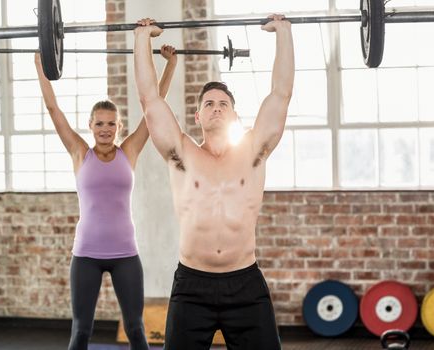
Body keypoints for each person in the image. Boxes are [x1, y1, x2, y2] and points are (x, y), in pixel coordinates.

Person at [134, 14, 294, 350]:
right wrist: (141, 38)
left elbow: (280, 95)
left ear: (235, 115)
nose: (216, 108)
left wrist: (283, 32)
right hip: (192, 286)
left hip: (245, 284)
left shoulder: (254, 152)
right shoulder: (182, 153)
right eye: (209, 104)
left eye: (224, 104)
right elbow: (150, 100)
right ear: (198, 115)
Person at [34, 45, 177, 350]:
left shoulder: (129, 151)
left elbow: (155, 109)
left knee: (137, 329)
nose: (105, 129)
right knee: (81, 331)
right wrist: (41, 60)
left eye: (111, 123)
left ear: (118, 126)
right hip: (86, 255)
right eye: (99, 123)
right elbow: (53, 110)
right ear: (90, 125)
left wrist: (171, 65)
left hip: (125, 254)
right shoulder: (79, 152)